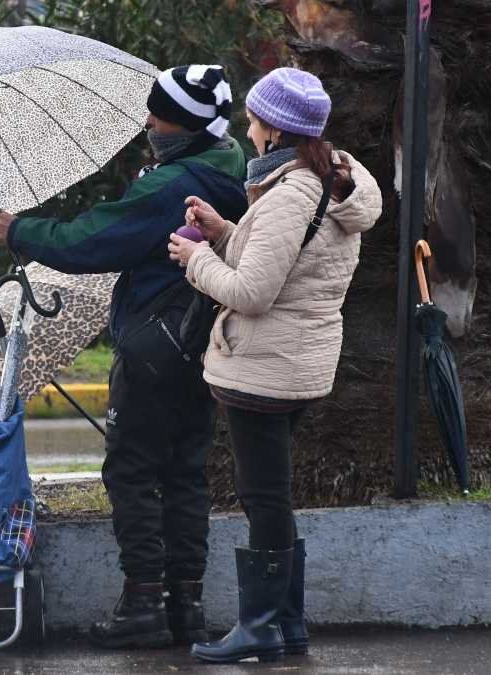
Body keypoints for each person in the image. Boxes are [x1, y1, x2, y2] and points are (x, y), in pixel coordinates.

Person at [0, 65, 248, 649]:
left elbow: (91, 240)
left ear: (184, 124)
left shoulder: (169, 188)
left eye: (159, 115)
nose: (150, 123)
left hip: (154, 348)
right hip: (205, 348)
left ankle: (142, 605)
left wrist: (19, 232)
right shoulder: (230, 162)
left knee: (131, 471)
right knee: (186, 473)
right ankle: (186, 604)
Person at [167, 67, 382, 663]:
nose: (248, 125)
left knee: (265, 498)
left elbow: (254, 293)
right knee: (272, 495)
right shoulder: (323, 182)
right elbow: (289, 265)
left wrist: (196, 256)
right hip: (294, 361)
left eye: (255, 117)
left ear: (273, 128)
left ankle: (261, 626)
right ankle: (286, 626)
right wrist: (226, 230)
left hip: (263, 366)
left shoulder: (291, 194)